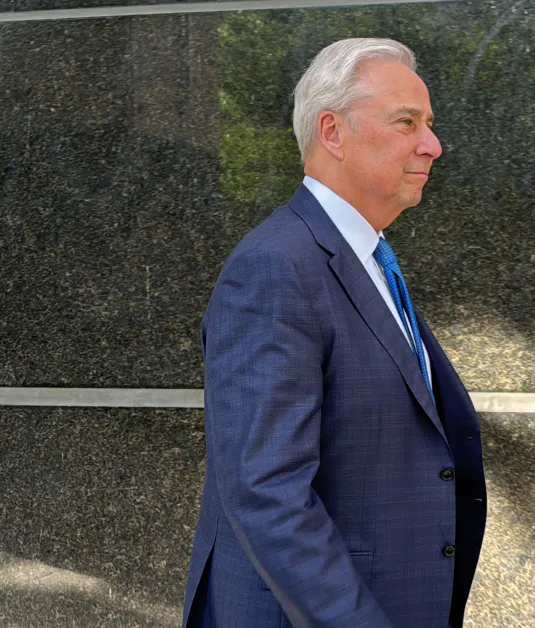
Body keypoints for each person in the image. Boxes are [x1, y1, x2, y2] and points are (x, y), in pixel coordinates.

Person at [181, 38, 487, 628]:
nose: (433, 144)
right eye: (407, 122)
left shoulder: (365, 257)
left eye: (429, 124)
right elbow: (266, 491)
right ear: (332, 131)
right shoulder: (275, 266)